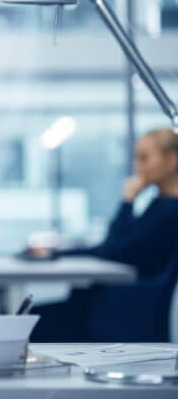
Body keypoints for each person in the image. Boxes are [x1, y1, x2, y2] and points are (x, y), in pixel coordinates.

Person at [31, 127, 178, 341]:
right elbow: (112, 246)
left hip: (126, 310)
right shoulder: (159, 204)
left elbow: (113, 249)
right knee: (33, 316)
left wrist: (128, 201)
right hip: (119, 303)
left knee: (32, 320)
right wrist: (56, 254)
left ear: (171, 160)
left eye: (144, 158)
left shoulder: (171, 210)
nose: (137, 165)